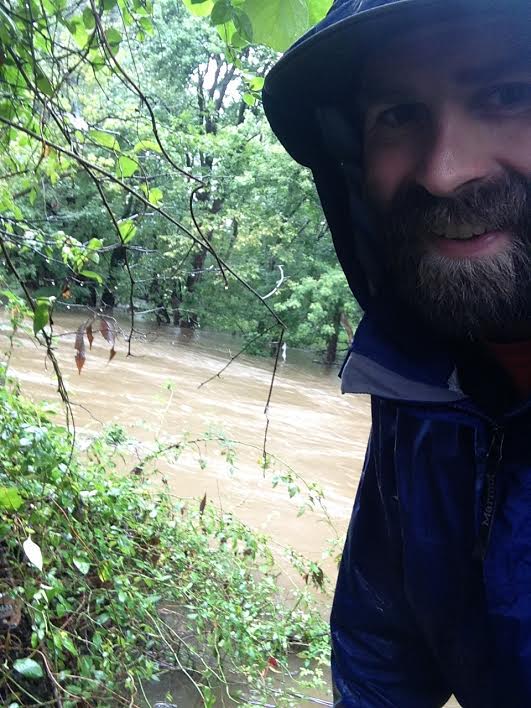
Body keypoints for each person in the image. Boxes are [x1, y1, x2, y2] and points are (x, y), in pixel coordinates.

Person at [263, 1, 531, 706]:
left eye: (507, 94)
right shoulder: (419, 378)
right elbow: (380, 630)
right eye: (398, 114)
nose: (443, 172)